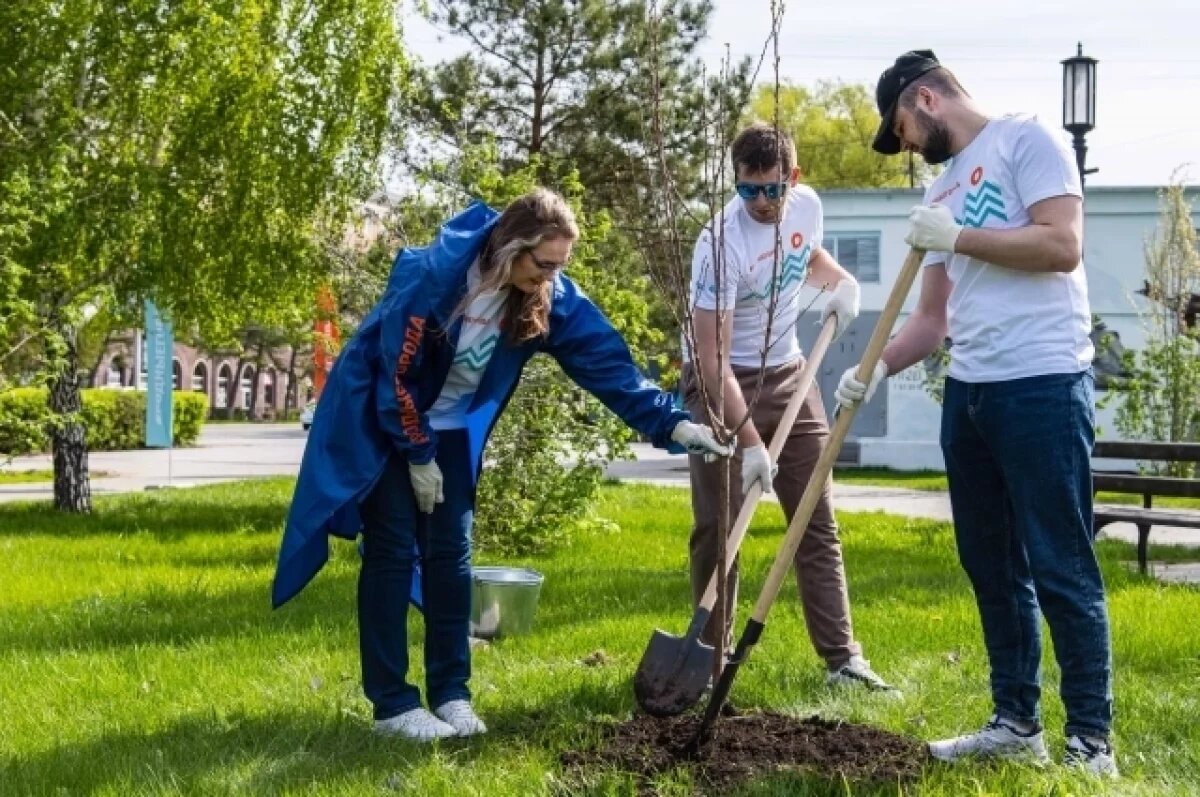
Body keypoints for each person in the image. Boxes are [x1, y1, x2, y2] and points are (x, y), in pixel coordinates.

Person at [272, 188, 730, 742]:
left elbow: (606, 362)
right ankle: (392, 705)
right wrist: (416, 453)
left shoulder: (544, 292)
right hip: (383, 418)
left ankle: (451, 693)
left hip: (448, 428)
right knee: (393, 550)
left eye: (561, 266)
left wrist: (671, 422)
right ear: (513, 246)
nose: (553, 278)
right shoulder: (434, 277)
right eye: (544, 264)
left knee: (451, 556)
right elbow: (394, 373)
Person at [835, 50, 1117, 776]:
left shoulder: (1030, 140)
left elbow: (1061, 245)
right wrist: (869, 372)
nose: (902, 145)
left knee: (1060, 562)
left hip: (1043, 384)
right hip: (972, 393)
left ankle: (1092, 742)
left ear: (926, 98)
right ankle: (1015, 724)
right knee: (990, 564)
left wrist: (955, 236)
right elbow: (932, 320)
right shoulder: (944, 189)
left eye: (900, 128)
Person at [682, 122, 894, 692]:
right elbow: (711, 357)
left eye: (772, 190)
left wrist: (840, 280)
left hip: (791, 376)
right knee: (718, 529)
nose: (760, 203)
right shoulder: (718, 244)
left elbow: (807, 255)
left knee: (813, 521)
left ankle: (843, 660)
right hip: (720, 385)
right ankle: (708, 660)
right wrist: (748, 443)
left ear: (792, 179)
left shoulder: (806, 207)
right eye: (748, 191)